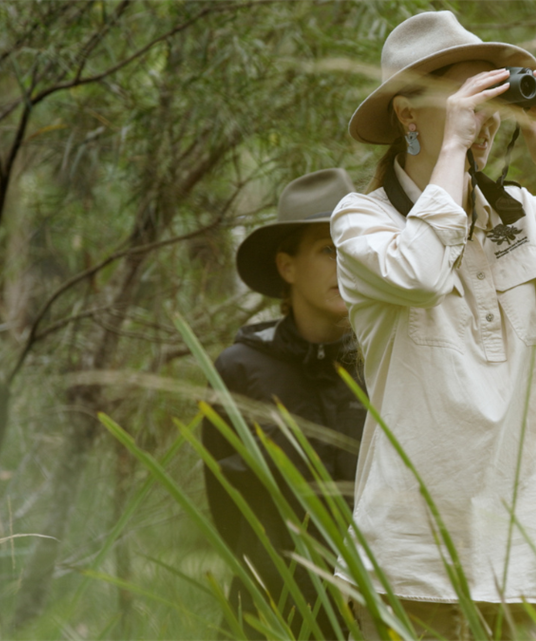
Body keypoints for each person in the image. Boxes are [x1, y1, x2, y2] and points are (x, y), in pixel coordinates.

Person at [331, 11, 536, 640]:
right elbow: (420, 273)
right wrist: (452, 147)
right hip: (408, 563)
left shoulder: (519, 215)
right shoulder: (362, 221)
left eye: (492, 97)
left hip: (521, 560)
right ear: (406, 113)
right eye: (465, 99)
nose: (483, 118)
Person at [203, 168, 364, 640]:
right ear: (286, 267)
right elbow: (227, 507)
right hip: (269, 616)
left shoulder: (385, 364)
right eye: (328, 250)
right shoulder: (239, 369)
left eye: (354, 247)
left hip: (375, 614)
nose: (346, 263)